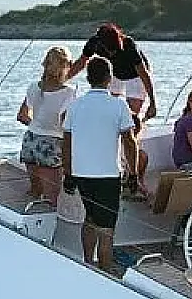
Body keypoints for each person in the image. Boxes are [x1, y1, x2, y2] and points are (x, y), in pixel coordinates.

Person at [61, 56, 137, 273]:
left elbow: (66, 142)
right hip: (108, 176)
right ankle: (104, 272)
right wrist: (133, 174)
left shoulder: (75, 106)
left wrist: (68, 173)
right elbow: (129, 141)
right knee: (106, 229)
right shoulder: (119, 105)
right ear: (109, 78)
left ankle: (87, 263)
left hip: (81, 174)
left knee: (90, 218)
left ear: (88, 78)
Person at [67, 23, 156, 191]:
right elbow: (81, 63)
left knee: (131, 123)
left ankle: (133, 173)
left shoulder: (128, 45)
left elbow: (143, 73)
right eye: (108, 50)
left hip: (135, 77)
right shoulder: (94, 43)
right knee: (109, 116)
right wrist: (62, 80)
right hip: (113, 75)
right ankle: (113, 157)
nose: (112, 53)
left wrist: (153, 101)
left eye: (114, 50)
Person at [15, 46, 77, 206]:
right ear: (66, 66)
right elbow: (65, 124)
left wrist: (37, 124)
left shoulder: (33, 87)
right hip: (52, 145)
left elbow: (21, 116)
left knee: (34, 192)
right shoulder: (69, 92)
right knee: (53, 198)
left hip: (30, 141)